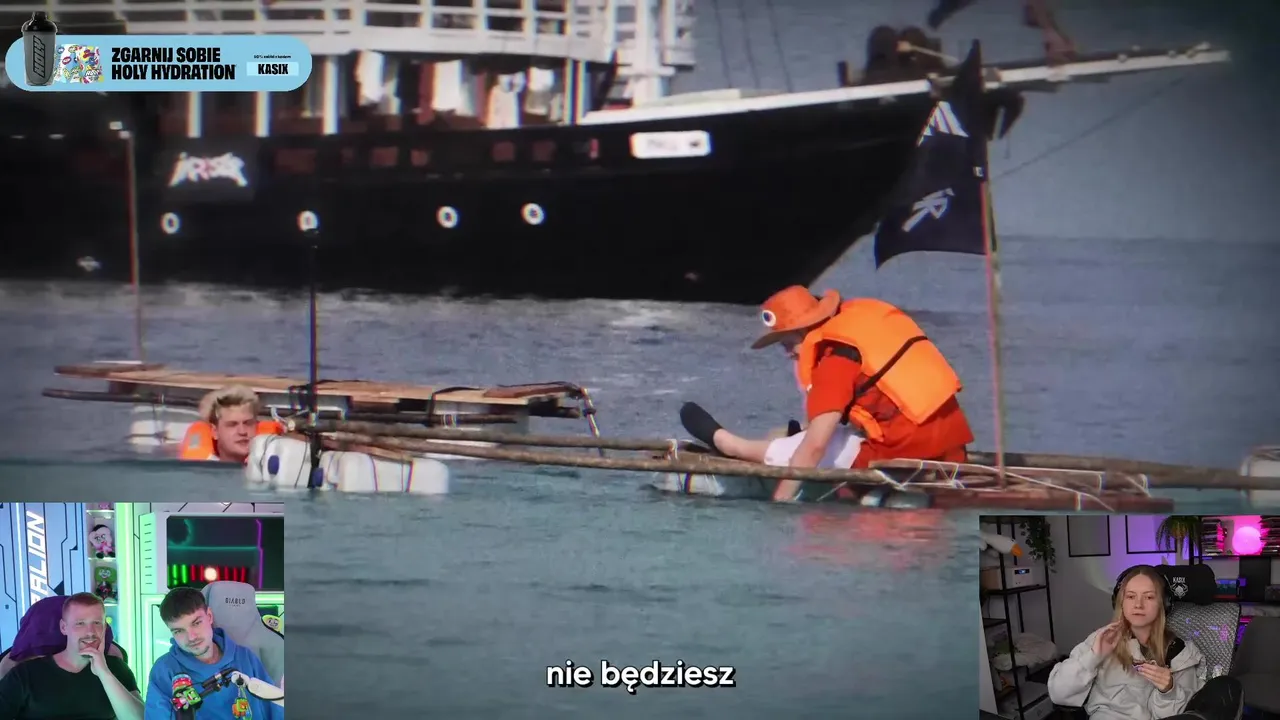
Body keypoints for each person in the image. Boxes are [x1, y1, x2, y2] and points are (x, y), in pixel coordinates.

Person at [679, 286, 974, 501]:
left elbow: (815, 447)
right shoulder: (857, 326)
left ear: (806, 331)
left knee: (802, 447)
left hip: (904, 451)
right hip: (951, 444)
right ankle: (775, 440)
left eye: (787, 344)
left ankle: (731, 445)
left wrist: (779, 502)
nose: (787, 353)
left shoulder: (835, 360)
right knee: (798, 434)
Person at [1047, 565, 1244, 720]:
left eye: (1149, 597)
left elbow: (1182, 716)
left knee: (1226, 687)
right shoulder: (1100, 640)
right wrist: (1093, 657)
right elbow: (1059, 694)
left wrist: (1168, 691)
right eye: (1130, 596)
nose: (1138, 604)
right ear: (1120, 602)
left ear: (1163, 604)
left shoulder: (1180, 653)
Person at [145, 587, 283, 719]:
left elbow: (275, 710)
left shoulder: (245, 658)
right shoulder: (165, 670)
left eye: (196, 623)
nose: (191, 637)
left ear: (209, 616)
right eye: (179, 631)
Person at [0, 593, 143, 720]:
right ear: (63, 627)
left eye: (97, 623)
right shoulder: (24, 674)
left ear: (105, 627)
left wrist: (104, 673)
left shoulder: (116, 668)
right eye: (80, 623)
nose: (90, 632)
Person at [179, 386, 282, 464]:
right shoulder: (199, 473)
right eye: (232, 425)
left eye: (248, 423)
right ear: (215, 432)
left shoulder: (276, 468)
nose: (242, 431)